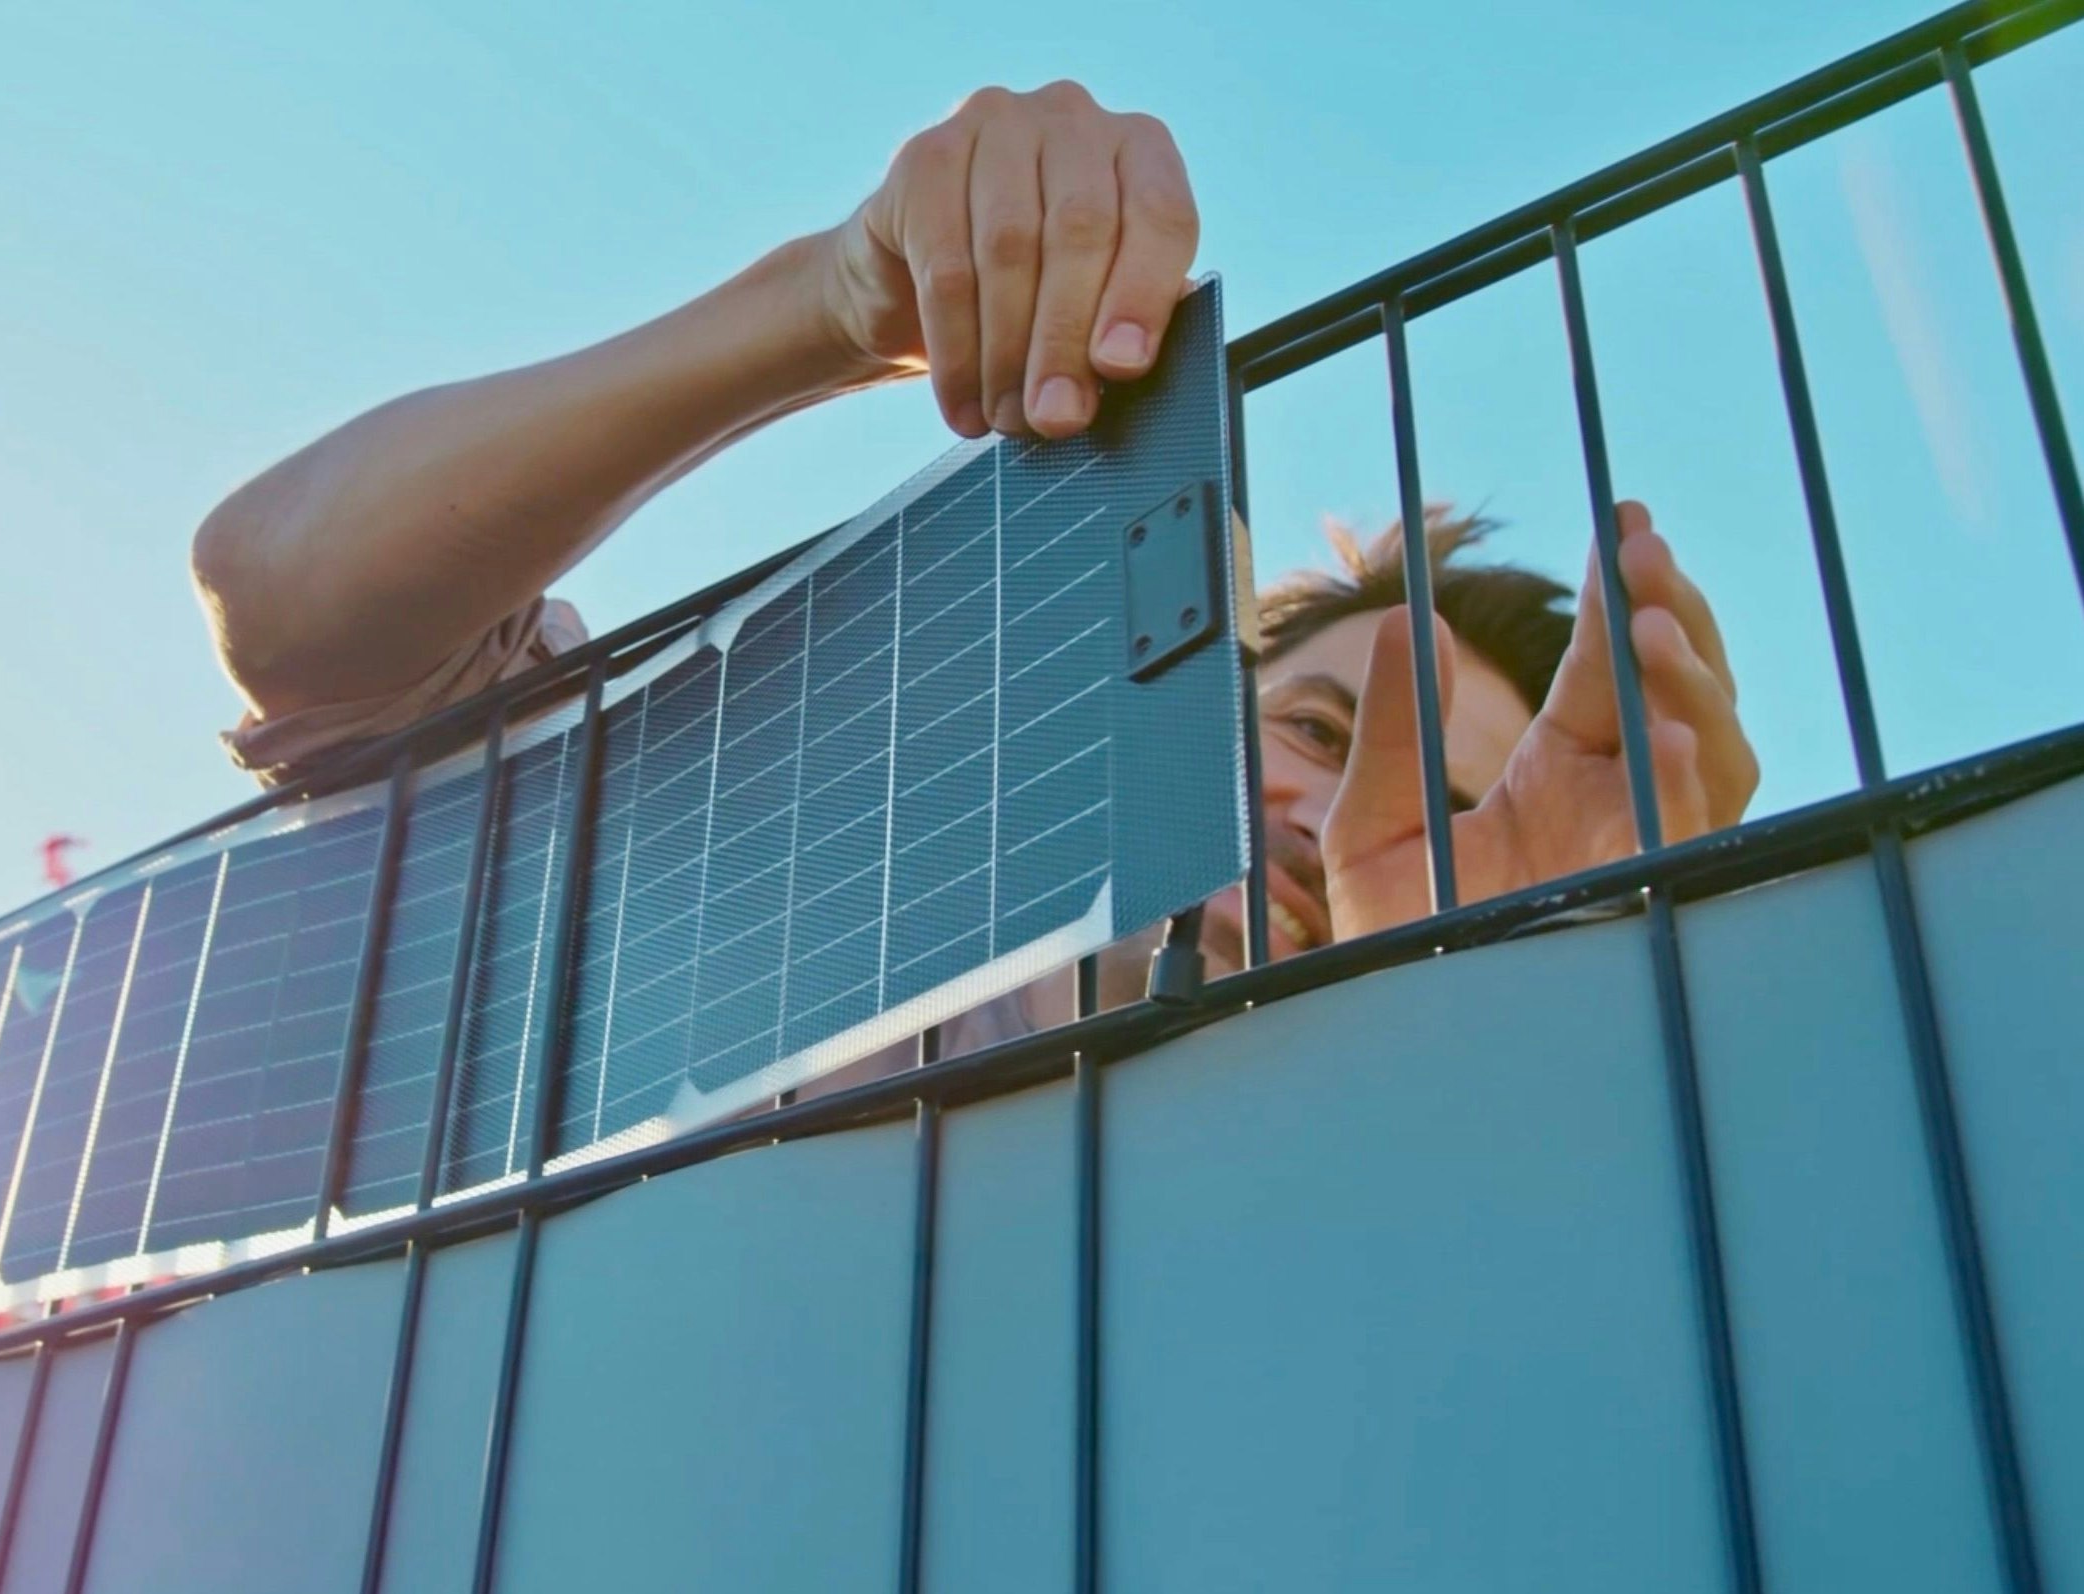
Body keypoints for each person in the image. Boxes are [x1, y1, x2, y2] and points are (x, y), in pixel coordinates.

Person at [191, 83, 1756, 997]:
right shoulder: (779, 958)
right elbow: (292, 590)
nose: (1337, 815)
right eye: (1316, 728)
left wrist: (1548, 1027)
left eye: (1447, 806)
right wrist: (829, 299)